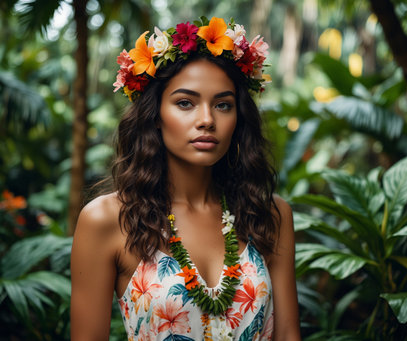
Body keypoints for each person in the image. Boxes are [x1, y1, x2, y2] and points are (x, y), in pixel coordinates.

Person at [70, 16, 301, 340]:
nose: (206, 120)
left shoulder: (270, 215)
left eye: (223, 105)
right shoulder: (107, 220)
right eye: (185, 103)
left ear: (239, 117)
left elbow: (289, 333)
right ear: (155, 115)